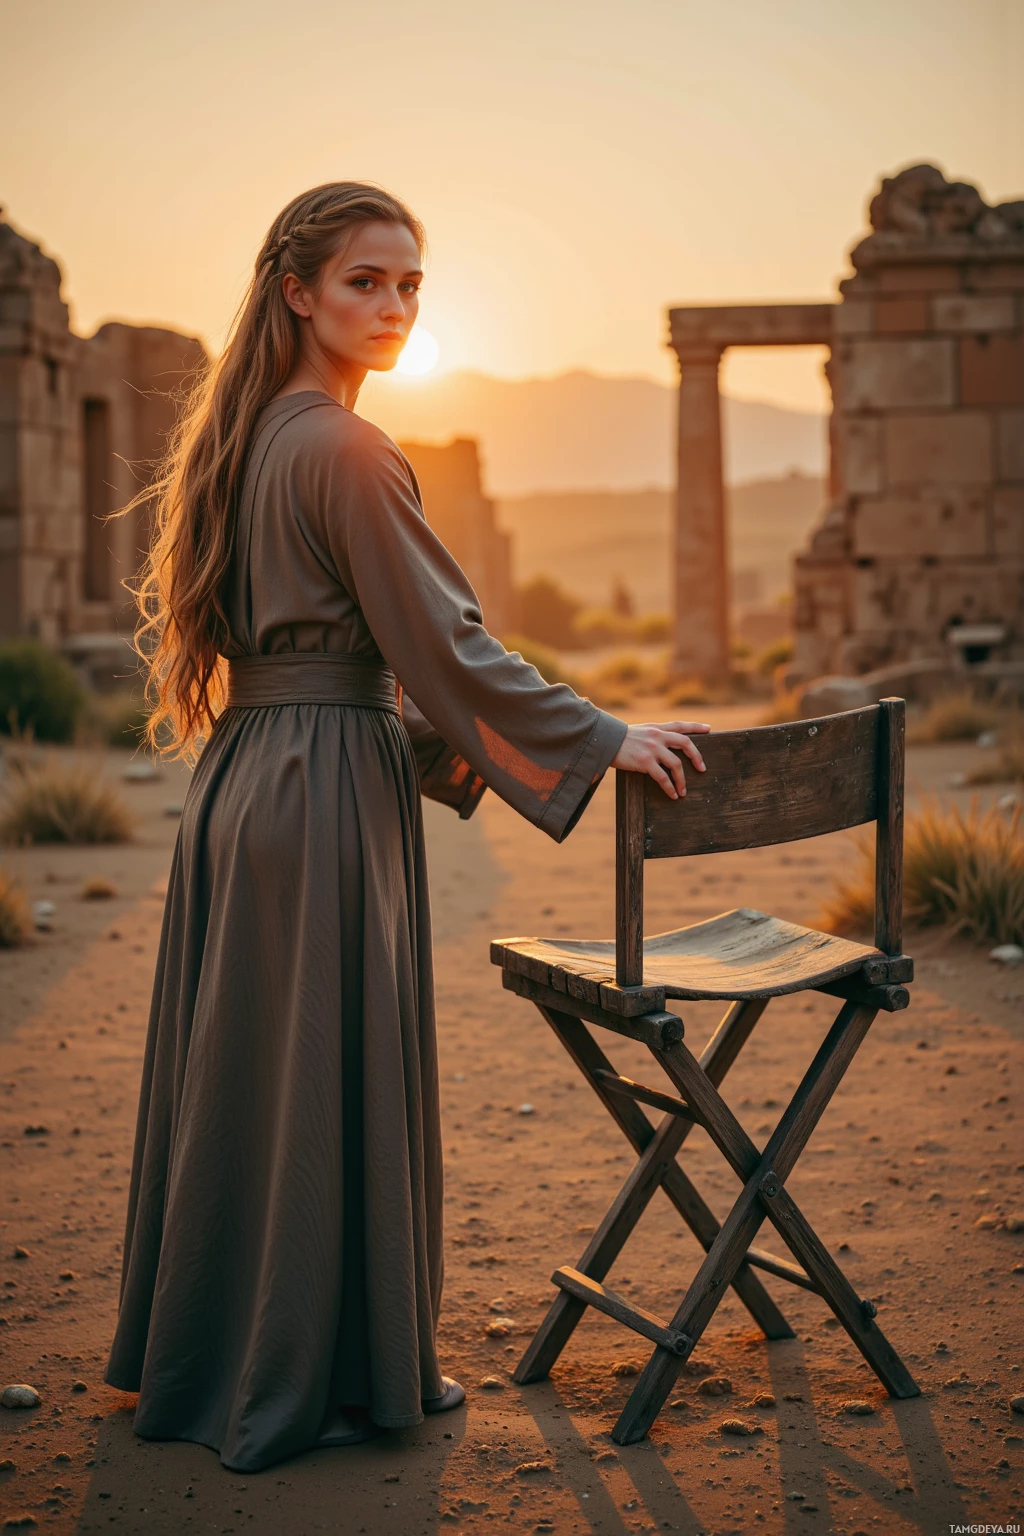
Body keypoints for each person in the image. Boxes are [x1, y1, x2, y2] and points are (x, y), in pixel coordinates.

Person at [105, 180, 709, 1472]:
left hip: (249, 780)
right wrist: (604, 739)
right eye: (367, 281)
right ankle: (309, 1377)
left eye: (411, 285)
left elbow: (382, 649)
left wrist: (446, 740)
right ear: (298, 293)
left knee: (258, 1079)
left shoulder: (255, 434)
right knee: (314, 1076)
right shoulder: (346, 448)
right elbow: (443, 647)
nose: (392, 307)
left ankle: (222, 1359)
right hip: (320, 787)